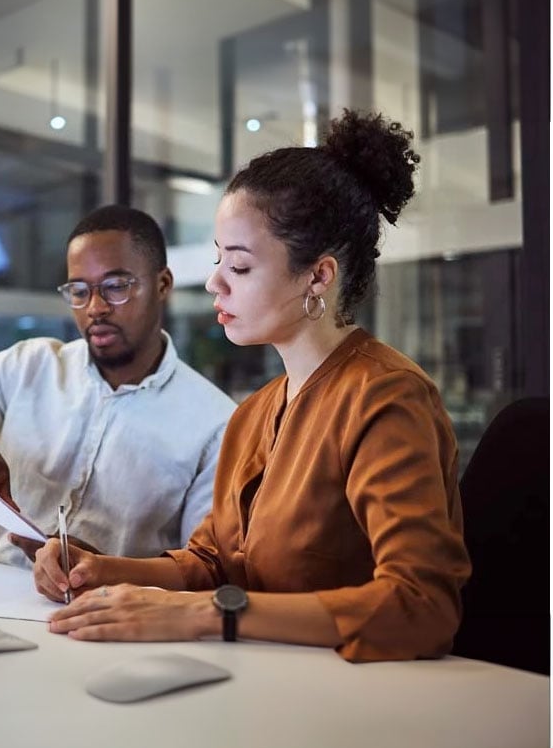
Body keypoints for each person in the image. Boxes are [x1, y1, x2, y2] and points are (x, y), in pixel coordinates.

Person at [34, 111, 472, 663]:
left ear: (318, 276)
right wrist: (101, 569)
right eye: (219, 260)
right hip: (260, 676)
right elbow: (216, 563)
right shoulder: (255, 413)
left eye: (238, 267)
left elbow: (421, 606)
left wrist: (205, 615)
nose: (215, 281)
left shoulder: (387, 398)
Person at [0, 204, 236, 569]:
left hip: (116, 613)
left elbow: (201, 568)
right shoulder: (29, 367)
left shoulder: (216, 424)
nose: (95, 308)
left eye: (115, 286)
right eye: (79, 290)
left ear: (162, 285)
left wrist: (103, 567)